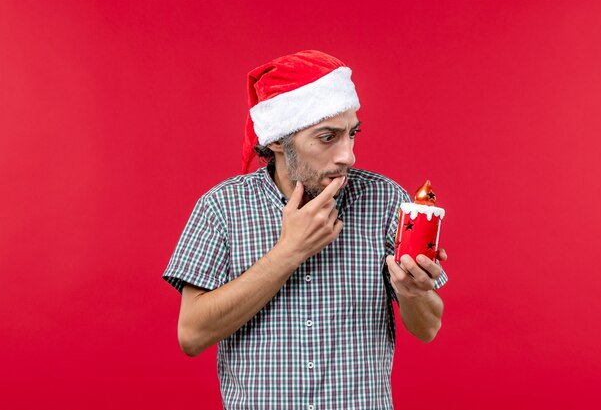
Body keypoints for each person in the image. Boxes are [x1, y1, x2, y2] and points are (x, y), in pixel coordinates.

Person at [163, 50, 448, 410]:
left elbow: (428, 328)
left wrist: (412, 292)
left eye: (352, 134)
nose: (348, 156)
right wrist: (289, 251)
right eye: (327, 137)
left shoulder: (386, 200)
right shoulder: (221, 208)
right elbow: (191, 335)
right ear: (279, 140)